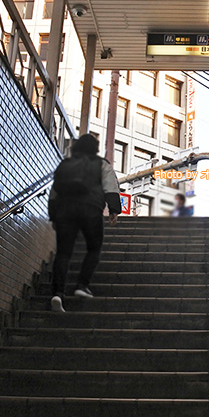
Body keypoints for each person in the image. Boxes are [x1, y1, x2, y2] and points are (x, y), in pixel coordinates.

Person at [47, 134, 121, 312]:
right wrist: (113, 209)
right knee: (94, 247)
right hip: (90, 209)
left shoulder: (65, 164)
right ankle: (81, 285)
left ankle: (58, 293)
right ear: (95, 148)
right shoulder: (102, 164)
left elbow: (54, 192)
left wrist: (54, 216)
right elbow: (110, 186)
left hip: (65, 211)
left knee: (63, 253)